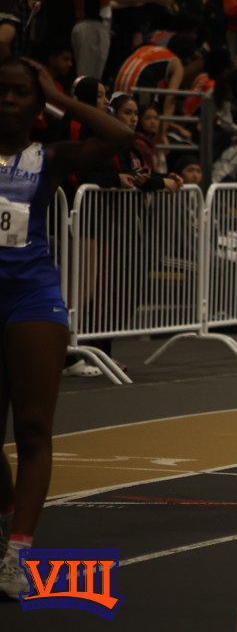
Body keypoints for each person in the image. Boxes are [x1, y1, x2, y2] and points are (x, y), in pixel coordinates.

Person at [0, 56, 133, 598]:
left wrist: (61, 97)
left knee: (33, 428)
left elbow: (120, 136)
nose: (10, 99)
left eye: (21, 92)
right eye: (2, 90)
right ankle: (6, 519)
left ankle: (17, 553)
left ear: (37, 104)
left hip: (31, 299)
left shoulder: (47, 157)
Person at [69, 0, 174, 79]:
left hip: (85, 26)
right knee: (89, 78)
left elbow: (107, 5)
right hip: (93, 29)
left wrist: (137, 0)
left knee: (87, 75)